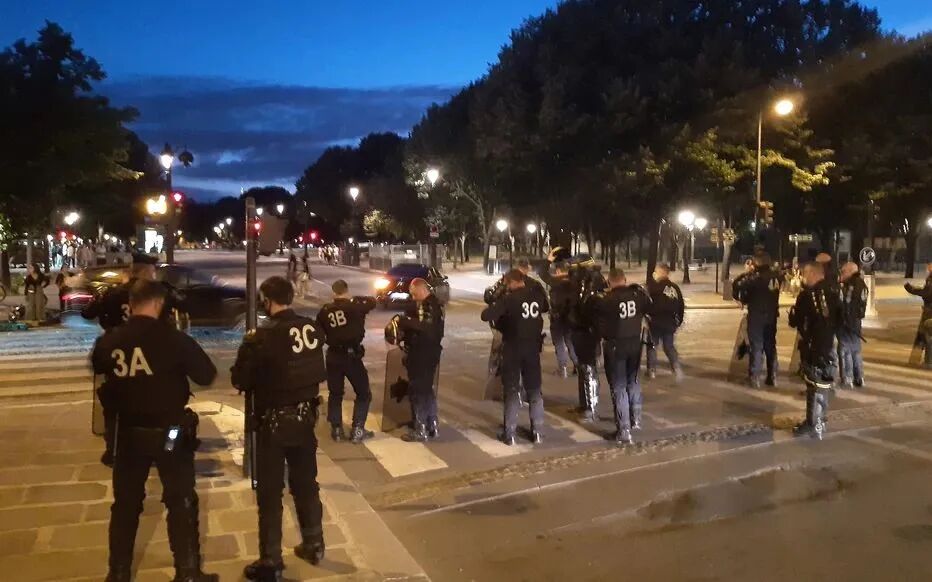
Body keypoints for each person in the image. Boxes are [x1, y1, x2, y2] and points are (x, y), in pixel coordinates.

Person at [91, 280, 218, 582]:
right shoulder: (173, 339)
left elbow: (98, 366)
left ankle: (118, 573)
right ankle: (187, 572)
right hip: (170, 434)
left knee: (126, 505)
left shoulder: (111, 339)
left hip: (129, 434)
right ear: (159, 304)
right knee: (180, 499)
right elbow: (206, 374)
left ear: (132, 303)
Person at [230, 276, 327, 580]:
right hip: (305, 419)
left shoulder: (263, 337)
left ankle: (271, 561)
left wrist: (248, 351)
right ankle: (314, 543)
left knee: (270, 494)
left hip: (272, 423)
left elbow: (240, 380)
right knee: (306, 484)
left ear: (267, 300)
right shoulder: (311, 328)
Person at [481, 269, 550, 445]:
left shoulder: (509, 299)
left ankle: (510, 433)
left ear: (510, 282)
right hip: (532, 348)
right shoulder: (535, 296)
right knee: (534, 389)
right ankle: (538, 432)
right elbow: (545, 307)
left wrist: (499, 300)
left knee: (511, 390)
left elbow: (486, 315)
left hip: (513, 348)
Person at [588, 269, 652, 444]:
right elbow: (648, 308)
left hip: (616, 346)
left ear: (609, 282)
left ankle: (624, 430)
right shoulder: (637, 295)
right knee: (633, 381)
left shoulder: (607, 300)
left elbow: (599, 325)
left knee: (619, 387)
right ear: (624, 279)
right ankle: (636, 418)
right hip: (635, 344)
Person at [316, 280, 377, 443]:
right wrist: (356, 299)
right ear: (346, 290)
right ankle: (358, 429)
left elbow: (319, 334)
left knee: (335, 393)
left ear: (333, 292)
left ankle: (336, 429)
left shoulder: (325, 311)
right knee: (363, 392)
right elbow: (372, 302)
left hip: (333, 356)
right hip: (351, 356)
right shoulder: (355, 307)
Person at [789, 262, 841, 440]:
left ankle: (813, 425)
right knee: (823, 386)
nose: (803, 277)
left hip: (814, 346)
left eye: (804, 274)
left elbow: (797, 320)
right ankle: (820, 422)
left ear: (813, 274)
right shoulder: (834, 291)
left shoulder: (807, 295)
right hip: (828, 346)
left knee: (814, 387)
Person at [398, 278, 445, 442]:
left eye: (414, 293)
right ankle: (432, 424)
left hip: (422, 354)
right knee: (426, 389)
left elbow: (426, 327)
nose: (413, 297)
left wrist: (404, 321)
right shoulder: (434, 304)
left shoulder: (429, 305)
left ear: (421, 289)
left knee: (417, 390)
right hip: (429, 353)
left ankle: (420, 429)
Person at [731, 253, 783, 388]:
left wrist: (746, 273)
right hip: (771, 315)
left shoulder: (755, 278)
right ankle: (772, 376)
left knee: (757, 346)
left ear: (756, 263)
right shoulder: (776, 276)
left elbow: (737, 285)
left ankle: (754, 377)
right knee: (770, 346)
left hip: (756, 316)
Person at [645, 264, 685, 381]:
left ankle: (652, 370)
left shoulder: (653, 287)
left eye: (656, 272)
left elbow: (646, 304)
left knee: (652, 345)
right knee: (669, 346)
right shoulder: (675, 288)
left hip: (655, 322)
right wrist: (679, 321)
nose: (654, 274)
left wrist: (647, 316)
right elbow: (681, 305)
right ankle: (676, 366)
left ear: (661, 273)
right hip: (670, 322)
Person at [837, 262, 869, 387]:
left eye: (843, 271)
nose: (842, 274)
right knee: (856, 351)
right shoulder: (862, 284)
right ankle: (859, 377)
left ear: (850, 271)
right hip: (856, 322)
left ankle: (847, 378)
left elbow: (846, 303)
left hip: (847, 322)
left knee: (845, 351)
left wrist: (843, 319)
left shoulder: (851, 285)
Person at [547, 261, 578, 377]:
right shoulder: (574, 284)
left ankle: (563, 368)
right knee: (571, 342)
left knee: (559, 343)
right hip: (571, 318)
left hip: (558, 317)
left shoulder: (555, 285)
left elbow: (554, 302)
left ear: (558, 271)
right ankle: (577, 365)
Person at [905, 262, 932, 369]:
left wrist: (912, 289)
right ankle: (915, 359)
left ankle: (925, 361)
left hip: (929, 311)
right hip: (928, 309)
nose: (928, 267)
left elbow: (927, 293)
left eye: (929, 265)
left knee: (925, 335)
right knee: (923, 335)